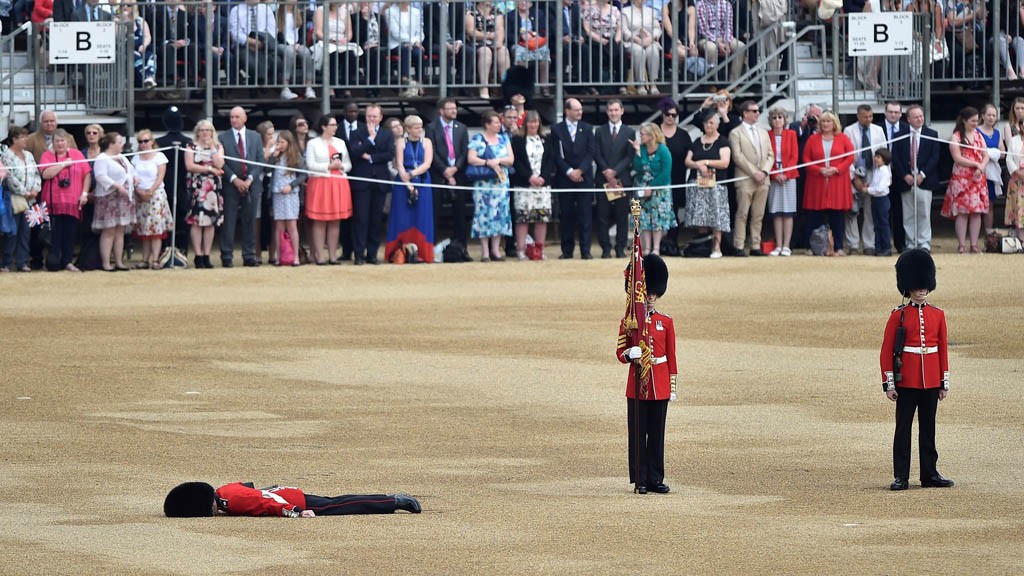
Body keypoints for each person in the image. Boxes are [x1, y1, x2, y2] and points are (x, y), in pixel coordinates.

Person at [880, 248, 953, 491]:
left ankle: (929, 473)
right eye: (918, 285)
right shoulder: (898, 316)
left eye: (925, 286)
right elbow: (886, 352)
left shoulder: (938, 315)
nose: (922, 289)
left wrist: (944, 382)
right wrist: (889, 384)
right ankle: (901, 475)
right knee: (903, 429)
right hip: (907, 380)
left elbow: (942, 350)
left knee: (928, 428)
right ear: (908, 287)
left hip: (931, 380)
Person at [616, 254, 677, 495]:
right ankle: (640, 479)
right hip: (638, 383)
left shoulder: (666, 322)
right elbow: (620, 353)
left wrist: (672, 386)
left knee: (657, 435)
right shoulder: (630, 322)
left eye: (654, 293)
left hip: (659, 383)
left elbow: (671, 357)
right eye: (647, 293)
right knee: (638, 434)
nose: (650, 298)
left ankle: (654, 478)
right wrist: (630, 353)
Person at [163, 481, 421, 517]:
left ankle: (393, 502)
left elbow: (267, 502)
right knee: (339, 501)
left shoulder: (229, 502)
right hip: (284, 492)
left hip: (289, 498)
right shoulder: (225, 491)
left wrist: (294, 511)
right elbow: (251, 488)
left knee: (341, 506)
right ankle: (389, 499)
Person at [802, 110, 854, 256]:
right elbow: (806, 159)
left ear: (834, 123)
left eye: (828, 121)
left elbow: (850, 157)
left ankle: (838, 247)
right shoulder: (813, 139)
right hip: (817, 181)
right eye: (823, 121)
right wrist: (819, 170)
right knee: (814, 215)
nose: (825, 124)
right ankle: (811, 247)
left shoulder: (843, 138)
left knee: (837, 215)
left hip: (837, 181)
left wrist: (837, 169)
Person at [218, 106, 265, 268]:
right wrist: (234, 179)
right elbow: (221, 162)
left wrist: (250, 179)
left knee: (250, 220)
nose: (234, 120)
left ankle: (249, 254)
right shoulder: (222, 137)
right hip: (231, 184)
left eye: (237, 117)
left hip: (252, 184)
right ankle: (226, 255)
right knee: (229, 221)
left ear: (245, 118)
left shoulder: (255, 137)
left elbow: (260, 160)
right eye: (231, 117)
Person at [347, 104, 393, 265]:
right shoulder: (356, 133)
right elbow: (355, 152)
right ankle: (359, 254)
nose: (372, 119)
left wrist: (371, 157)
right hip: (362, 181)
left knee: (375, 219)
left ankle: (372, 253)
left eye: (374, 116)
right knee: (361, 219)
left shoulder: (387, 134)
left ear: (381, 117)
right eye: (369, 116)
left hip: (379, 180)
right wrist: (370, 139)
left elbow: (389, 154)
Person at [426, 98, 471, 258]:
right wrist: (445, 170)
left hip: (457, 174)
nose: (454, 111)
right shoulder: (431, 128)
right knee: (435, 212)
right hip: (438, 174)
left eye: (455, 108)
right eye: (450, 108)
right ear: (441, 110)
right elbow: (432, 151)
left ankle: (461, 248)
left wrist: (455, 168)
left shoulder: (462, 128)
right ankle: (431, 249)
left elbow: (465, 151)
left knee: (459, 213)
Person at [305, 114, 353, 265]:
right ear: (323, 127)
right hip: (320, 183)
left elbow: (348, 164)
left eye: (335, 125)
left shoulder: (340, 143)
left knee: (335, 221)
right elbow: (310, 165)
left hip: (338, 183)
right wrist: (328, 167)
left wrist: (341, 166)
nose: (335, 128)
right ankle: (319, 256)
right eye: (332, 125)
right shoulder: (313, 143)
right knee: (320, 221)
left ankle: (333, 255)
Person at [387, 115, 435, 263]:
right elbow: (399, 164)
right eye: (416, 127)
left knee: (422, 215)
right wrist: (407, 182)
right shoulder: (401, 142)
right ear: (408, 129)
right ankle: (400, 251)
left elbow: (427, 163)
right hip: (403, 182)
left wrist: (413, 174)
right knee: (402, 217)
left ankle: (422, 251)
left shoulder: (427, 142)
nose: (419, 130)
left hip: (421, 179)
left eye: (420, 127)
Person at [684, 108, 731, 258]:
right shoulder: (698, 141)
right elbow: (688, 160)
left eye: (711, 123)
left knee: (716, 215)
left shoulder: (723, 141)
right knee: (701, 216)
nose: (708, 125)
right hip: (698, 184)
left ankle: (717, 247)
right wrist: (698, 165)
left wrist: (706, 162)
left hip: (717, 184)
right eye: (706, 123)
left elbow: (725, 162)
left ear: (717, 124)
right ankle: (703, 246)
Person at [941, 107, 989, 254]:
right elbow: (957, 158)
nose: (976, 123)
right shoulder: (956, 136)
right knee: (962, 212)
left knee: (977, 212)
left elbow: (986, 154)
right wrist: (975, 164)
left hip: (978, 178)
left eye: (977, 120)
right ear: (964, 120)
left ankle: (974, 244)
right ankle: (962, 244)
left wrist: (981, 167)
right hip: (962, 179)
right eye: (973, 121)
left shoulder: (979, 135)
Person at [891, 104, 939, 253]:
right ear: (909, 119)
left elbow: (935, 157)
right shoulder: (900, 135)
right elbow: (896, 158)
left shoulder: (931, 134)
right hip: (906, 180)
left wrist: (922, 174)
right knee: (908, 213)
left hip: (925, 180)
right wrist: (905, 175)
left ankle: (924, 243)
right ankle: (911, 243)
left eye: (921, 116)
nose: (920, 119)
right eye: (916, 117)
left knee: (924, 212)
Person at [551, 98, 595, 259]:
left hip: (584, 179)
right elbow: (556, 155)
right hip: (565, 178)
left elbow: (591, 152)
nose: (579, 112)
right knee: (566, 215)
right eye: (576, 110)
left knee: (585, 215)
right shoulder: (556, 129)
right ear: (567, 111)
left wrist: (580, 170)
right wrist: (569, 171)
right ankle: (567, 250)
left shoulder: (588, 128)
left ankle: (586, 250)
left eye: (581, 109)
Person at [467, 110, 514, 262]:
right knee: (484, 214)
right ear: (487, 125)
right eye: (495, 122)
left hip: (501, 183)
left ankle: (496, 249)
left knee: (500, 214)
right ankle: (485, 252)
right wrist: (487, 162)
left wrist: (498, 161)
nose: (498, 125)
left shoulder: (503, 138)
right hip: (484, 185)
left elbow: (511, 159)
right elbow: (471, 158)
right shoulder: (478, 139)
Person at [729, 100, 774, 256]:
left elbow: (770, 155)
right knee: (742, 213)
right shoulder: (736, 132)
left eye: (758, 111)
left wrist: (764, 171)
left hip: (763, 179)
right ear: (745, 113)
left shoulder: (764, 132)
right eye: (754, 111)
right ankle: (739, 245)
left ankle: (755, 245)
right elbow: (737, 156)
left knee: (758, 214)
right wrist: (754, 172)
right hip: (745, 178)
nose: (757, 113)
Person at [510, 110, 555, 261]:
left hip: (542, 186)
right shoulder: (517, 140)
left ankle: (539, 250)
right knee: (523, 219)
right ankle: (521, 250)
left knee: (541, 218)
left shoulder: (546, 139)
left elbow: (550, 160)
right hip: (524, 185)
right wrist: (529, 177)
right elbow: (516, 162)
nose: (533, 125)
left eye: (535, 122)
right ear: (525, 123)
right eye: (530, 122)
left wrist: (543, 177)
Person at [843, 104, 887, 255]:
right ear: (858, 116)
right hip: (854, 171)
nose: (868, 119)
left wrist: (878, 178)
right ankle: (853, 244)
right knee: (852, 210)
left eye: (871, 116)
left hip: (873, 172)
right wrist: (854, 177)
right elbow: (846, 155)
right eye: (865, 117)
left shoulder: (878, 130)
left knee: (870, 210)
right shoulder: (849, 131)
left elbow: (884, 153)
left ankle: (869, 244)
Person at [594, 99, 635, 259]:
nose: (613, 113)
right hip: (603, 179)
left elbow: (629, 156)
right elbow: (596, 153)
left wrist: (615, 171)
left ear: (622, 111)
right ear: (607, 112)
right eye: (611, 110)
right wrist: (606, 171)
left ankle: (620, 247)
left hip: (622, 180)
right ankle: (605, 248)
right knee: (602, 215)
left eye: (616, 110)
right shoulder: (599, 131)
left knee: (621, 216)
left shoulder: (629, 132)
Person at [91, 132, 136, 272]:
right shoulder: (102, 158)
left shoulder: (121, 157)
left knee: (120, 230)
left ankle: (119, 261)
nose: (121, 144)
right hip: (108, 198)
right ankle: (106, 263)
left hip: (123, 198)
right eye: (119, 142)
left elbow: (131, 171)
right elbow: (100, 176)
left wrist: (134, 179)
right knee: (109, 231)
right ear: (111, 144)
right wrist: (117, 186)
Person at [184, 119, 224, 269]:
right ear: (197, 132)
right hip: (197, 186)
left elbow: (220, 164)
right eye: (202, 130)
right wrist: (209, 169)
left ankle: (207, 254)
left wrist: (212, 147)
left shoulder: (218, 147)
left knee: (210, 222)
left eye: (208, 130)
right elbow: (189, 165)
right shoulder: (191, 146)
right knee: (197, 221)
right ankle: (198, 254)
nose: (205, 133)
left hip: (213, 188)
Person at [131, 129, 173, 270]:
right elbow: (132, 177)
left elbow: (160, 176)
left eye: (146, 141)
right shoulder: (136, 158)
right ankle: (145, 259)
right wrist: (139, 191)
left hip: (156, 195)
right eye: (140, 141)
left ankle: (155, 259)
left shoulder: (159, 156)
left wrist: (150, 191)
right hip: (140, 195)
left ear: (152, 142)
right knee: (144, 229)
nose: (143, 144)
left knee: (156, 229)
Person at [1, 126, 41, 273]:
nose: (26, 139)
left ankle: (22, 262)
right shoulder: (6, 155)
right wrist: (24, 192)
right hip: (13, 199)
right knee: (11, 231)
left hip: (30, 201)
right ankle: (6, 262)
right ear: (14, 139)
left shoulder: (29, 155)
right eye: (23, 137)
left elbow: (36, 173)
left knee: (25, 232)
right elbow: (9, 177)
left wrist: (36, 189)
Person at [630, 123, 673, 256]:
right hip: (642, 189)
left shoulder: (663, 150)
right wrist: (637, 152)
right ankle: (647, 248)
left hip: (659, 191)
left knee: (657, 219)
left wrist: (652, 187)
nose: (640, 136)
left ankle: (656, 248)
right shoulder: (642, 149)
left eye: (642, 134)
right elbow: (637, 168)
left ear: (651, 135)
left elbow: (666, 172)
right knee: (644, 219)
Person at [156, 107, 193, 257]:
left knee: (172, 217)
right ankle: (179, 247)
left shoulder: (160, 142)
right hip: (178, 186)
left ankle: (170, 248)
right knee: (179, 217)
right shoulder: (186, 142)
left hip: (170, 185)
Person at [658, 98, 692, 253]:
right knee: (658, 212)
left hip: (677, 179)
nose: (670, 117)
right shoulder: (656, 133)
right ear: (662, 114)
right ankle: (657, 245)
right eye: (667, 114)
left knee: (674, 213)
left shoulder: (684, 135)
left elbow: (690, 157)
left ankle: (672, 242)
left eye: (674, 115)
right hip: (658, 180)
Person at [270, 131, 306, 267]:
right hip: (277, 193)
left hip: (291, 194)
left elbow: (303, 175)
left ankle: (295, 256)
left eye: (282, 142)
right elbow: (267, 169)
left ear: (289, 143)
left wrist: (291, 186)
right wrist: (273, 156)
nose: (279, 145)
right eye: (278, 142)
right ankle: (280, 256)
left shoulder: (296, 156)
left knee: (292, 225)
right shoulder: (277, 157)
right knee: (279, 226)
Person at [766, 106, 798, 256]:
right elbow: (766, 156)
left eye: (780, 117)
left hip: (788, 176)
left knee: (788, 211)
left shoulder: (791, 134)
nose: (777, 120)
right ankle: (778, 245)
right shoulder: (767, 135)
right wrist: (774, 174)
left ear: (785, 120)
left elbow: (794, 156)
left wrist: (786, 173)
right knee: (776, 211)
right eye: (774, 117)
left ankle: (787, 245)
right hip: (773, 176)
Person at [882, 101, 910, 252]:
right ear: (885, 112)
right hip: (881, 175)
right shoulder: (878, 127)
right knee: (881, 211)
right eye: (890, 112)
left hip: (900, 176)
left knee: (899, 212)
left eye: (896, 112)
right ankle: (882, 244)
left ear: (901, 114)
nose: (893, 115)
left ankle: (900, 244)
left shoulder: (907, 129)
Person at [313, 1, 357, 98]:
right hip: (326, 41)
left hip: (341, 42)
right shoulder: (321, 10)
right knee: (332, 54)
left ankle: (346, 87)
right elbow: (318, 32)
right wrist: (330, 40)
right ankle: (331, 88)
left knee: (350, 55)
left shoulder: (345, 11)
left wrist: (345, 39)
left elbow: (349, 32)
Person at [466, 0, 509, 99]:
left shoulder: (496, 11)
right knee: (486, 51)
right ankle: (484, 87)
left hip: (494, 41)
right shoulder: (471, 11)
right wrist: (488, 36)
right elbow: (471, 31)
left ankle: (506, 86)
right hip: (477, 42)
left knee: (503, 50)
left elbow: (500, 29)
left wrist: (499, 42)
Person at [507, 0, 551, 94]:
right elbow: (508, 35)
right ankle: (522, 86)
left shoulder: (538, 13)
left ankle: (544, 86)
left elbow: (545, 29)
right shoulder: (510, 16)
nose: (523, 3)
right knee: (519, 53)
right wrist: (520, 37)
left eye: (526, 1)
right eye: (521, 1)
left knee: (545, 52)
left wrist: (537, 35)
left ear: (531, 4)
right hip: (519, 44)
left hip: (536, 43)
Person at [695, 0, 745, 81]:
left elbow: (729, 27)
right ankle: (713, 83)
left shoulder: (726, 4)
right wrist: (718, 43)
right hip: (705, 39)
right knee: (711, 48)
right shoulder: (700, 5)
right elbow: (704, 31)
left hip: (723, 37)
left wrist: (726, 41)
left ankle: (733, 83)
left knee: (740, 46)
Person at [385, 0, 426, 98]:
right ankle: (405, 80)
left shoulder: (415, 12)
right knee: (405, 49)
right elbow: (395, 32)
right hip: (396, 43)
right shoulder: (390, 11)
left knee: (419, 53)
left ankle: (420, 84)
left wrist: (417, 41)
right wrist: (412, 42)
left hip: (414, 43)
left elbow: (420, 30)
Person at [581, 0, 624, 91]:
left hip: (612, 39)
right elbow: (587, 29)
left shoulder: (615, 9)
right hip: (595, 39)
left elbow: (620, 29)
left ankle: (621, 84)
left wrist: (615, 41)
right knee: (594, 53)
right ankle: (594, 85)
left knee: (621, 53)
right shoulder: (589, 10)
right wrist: (600, 39)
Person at [621, 0, 662, 94]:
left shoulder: (651, 12)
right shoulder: (625, 11)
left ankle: (653, 83)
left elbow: (657, 29)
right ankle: (640, 85)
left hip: (649, 41)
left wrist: (650, 38)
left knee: (653, 50)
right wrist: (636, 39)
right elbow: (624, 30)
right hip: (632, 42)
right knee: (639, 51)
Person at [277, 0, 315, 99]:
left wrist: (299, 44)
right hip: (281, 44)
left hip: (297, 44)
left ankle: (309, 87)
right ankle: (285, 87)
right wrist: (289, 44)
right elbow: (277, 35)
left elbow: (303, 33)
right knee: (289, 51)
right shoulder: (276, 14)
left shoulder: (300, 13)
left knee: (305, 52)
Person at [977, 103, 1005, 236]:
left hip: (992, 173)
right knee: (977, 205)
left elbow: (1003, 153)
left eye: (994, 115)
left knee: (990, 205)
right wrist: (990, 153)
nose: (991, 118)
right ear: (983, 116)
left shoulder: (997, 133)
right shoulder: (976, 131)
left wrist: (992, 153)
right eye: (989, 115)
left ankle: (988, 235)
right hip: (979, 172)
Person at [116, 1, 156, 89]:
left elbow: (147, 37)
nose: (125, 7)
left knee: (150, 54)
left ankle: (149, 78)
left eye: (129, 5)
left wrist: (144, 45)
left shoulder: (140, 20)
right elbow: (119, 37)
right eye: (123, 5)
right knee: (135, 55)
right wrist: (123, 22)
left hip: (141, 47)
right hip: (126, 49)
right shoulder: (117, 21)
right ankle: (147, 78)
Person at [867, 148, 893, 257]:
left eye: (878, 157)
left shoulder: (885, 171)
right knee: (877, 224)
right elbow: (874, 184)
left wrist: (867, 190)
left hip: (882, 199)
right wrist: (869, 187)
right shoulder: (877, 170)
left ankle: (886, 247)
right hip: (875, 199)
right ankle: (878, 247)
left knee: (883, 224)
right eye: (875, 157)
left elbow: (881, 188)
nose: (875, 159)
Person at [1006, 114, 1024, 243]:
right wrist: (1019, 173)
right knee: (1018, 208)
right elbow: (1009, 159)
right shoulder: (1014, 140)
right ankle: (1021, 239)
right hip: (1017, 179)